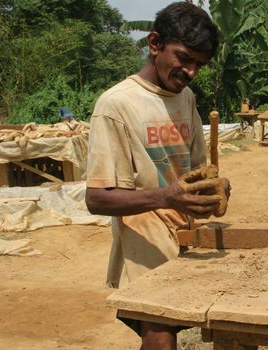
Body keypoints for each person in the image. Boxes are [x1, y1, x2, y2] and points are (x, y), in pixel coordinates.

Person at [85, 3, 228, 350]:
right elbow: (97, 198)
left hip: (187, 231)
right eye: (183, 58)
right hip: (143, 235)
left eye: (199, 64)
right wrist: (167, 196)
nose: (190, 71)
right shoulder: (116, 104)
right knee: (160, 333)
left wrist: (217, 187)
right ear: (154, 43)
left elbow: (195, 174)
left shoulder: (186, 98)